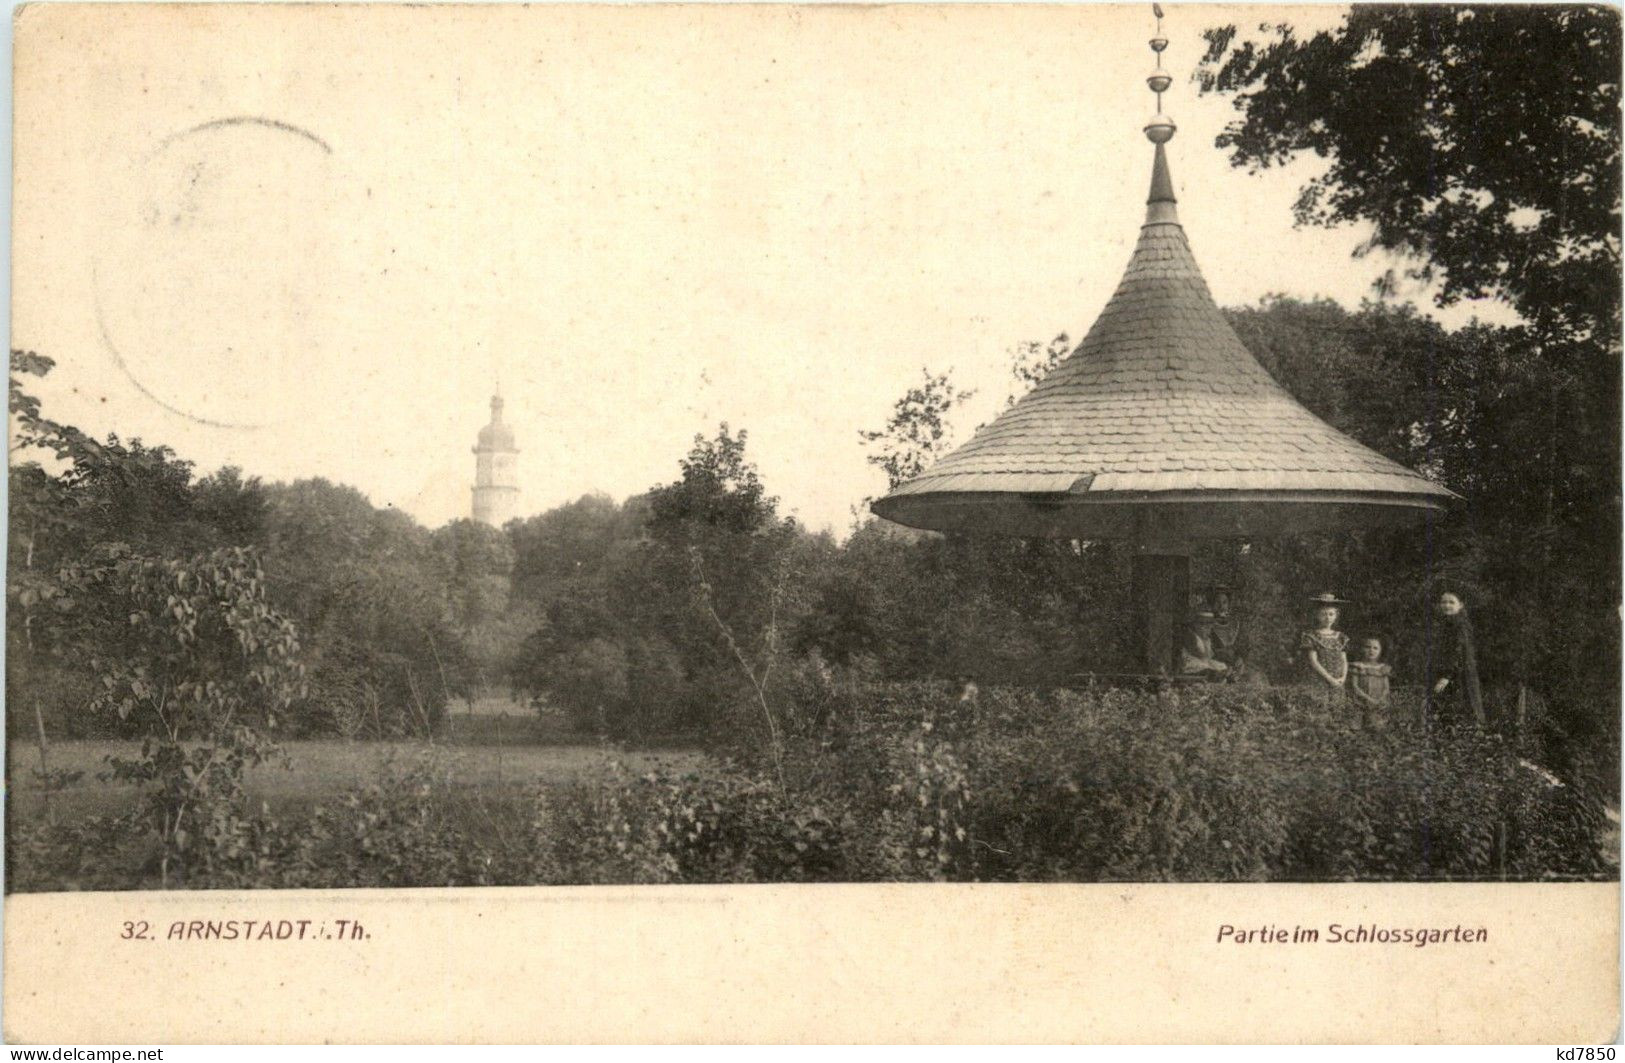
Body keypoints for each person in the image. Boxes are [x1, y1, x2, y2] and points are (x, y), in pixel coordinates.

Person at [1428, 590, 1485, 728]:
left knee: (1460, 709)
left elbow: (1458, 653)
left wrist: (1446, 677)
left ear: (1460, 605)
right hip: (1449, 673)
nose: (1446, 605)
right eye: (1443, 602)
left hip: (1459, 675)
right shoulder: (1445, 625)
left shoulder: (1460, 626)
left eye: (1451, 602)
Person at [1300, 593, 1350, 697]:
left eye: (1331, 614)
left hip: (1338, 680)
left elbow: (1344, 660)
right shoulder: (1311, 636)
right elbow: (1313, 661)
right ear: (1317, 615)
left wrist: (1343, 678)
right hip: (1318, 680)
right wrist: (1330, 679)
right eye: (1323, 614)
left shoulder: (1341, 637)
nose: (1328, 618)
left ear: (1336, 616)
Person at [1348, 636, 1393, 729]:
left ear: (1381, 650)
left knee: (1377, 726)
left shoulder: (1382, 668)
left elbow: (1386, 687)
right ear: (1361, 648)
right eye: (1367, 647)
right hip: (1360, 701)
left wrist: (1381, 699)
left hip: (1378, 701)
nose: (1371, 650)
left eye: (1375, 648)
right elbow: (1354, 686)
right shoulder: (1357, 666)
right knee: (1356, 726)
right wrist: (1368, 699)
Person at [1179, 610, 1230, 680]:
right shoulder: (1192, 636)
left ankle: (1221, 675)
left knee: (1222, 666)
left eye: (1208, 624)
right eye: (1202, 624)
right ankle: (1217, 675)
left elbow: (1211, 654)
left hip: (1205, 660)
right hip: (1193, 660)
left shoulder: (1208, 638)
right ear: (1195, 625)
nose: (1205, 627)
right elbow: (1199, 654)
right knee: (1204, 667)